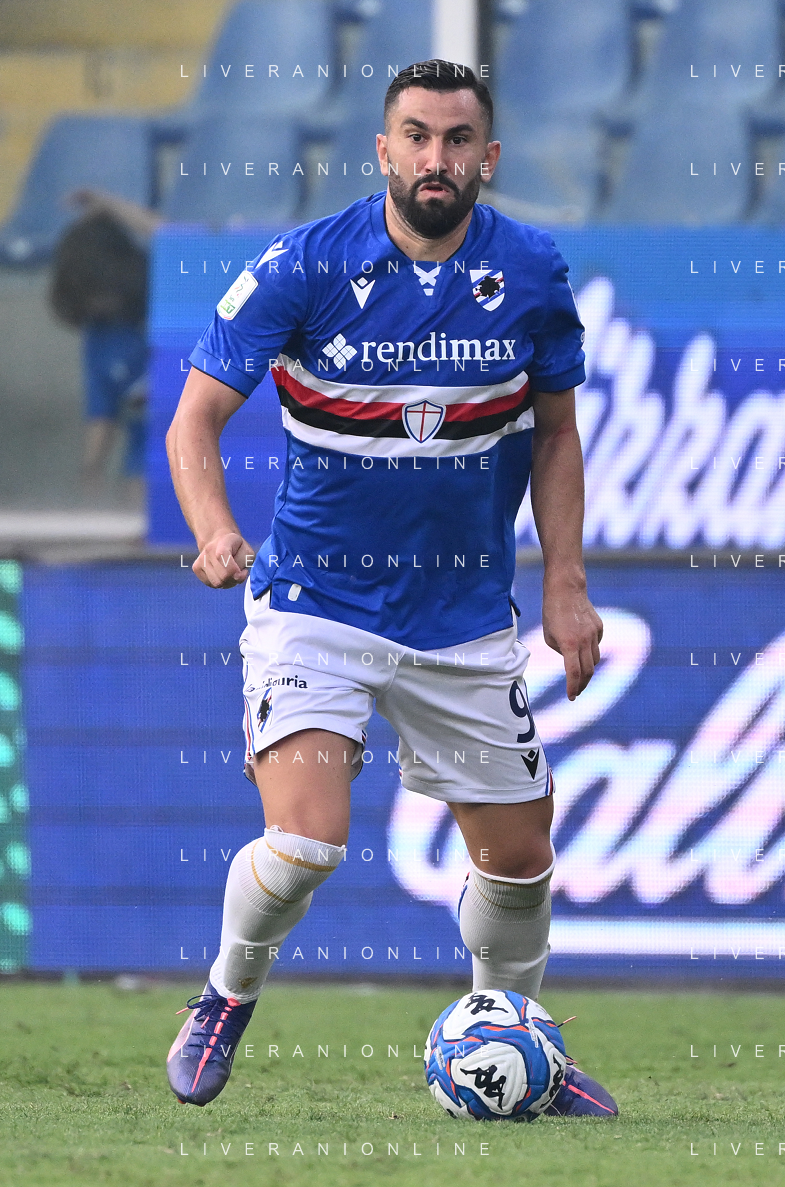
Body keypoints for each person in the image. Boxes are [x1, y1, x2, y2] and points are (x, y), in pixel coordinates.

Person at [165, 61, 616, 1117]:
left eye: (456, 140)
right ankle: (226, 995)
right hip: (315, 606)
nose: (434, 158)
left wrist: (566, 583)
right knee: (304, 843)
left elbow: (556, 434)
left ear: (486, 158)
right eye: (415, 136)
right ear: (382, 150)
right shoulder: (303, 266)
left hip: (462, 620)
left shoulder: (531, 272)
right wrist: (216, 530)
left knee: (519, 862)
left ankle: (516, 1043)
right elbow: (194, 420)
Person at [49, 189, 160, 504]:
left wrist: (109, 204)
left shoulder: (144, 323)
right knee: (142, 443)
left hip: (167, 445)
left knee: (145, 442)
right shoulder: (100, 339)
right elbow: (101, 411)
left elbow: (171, 234)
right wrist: (91, 472)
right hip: (149, 449)